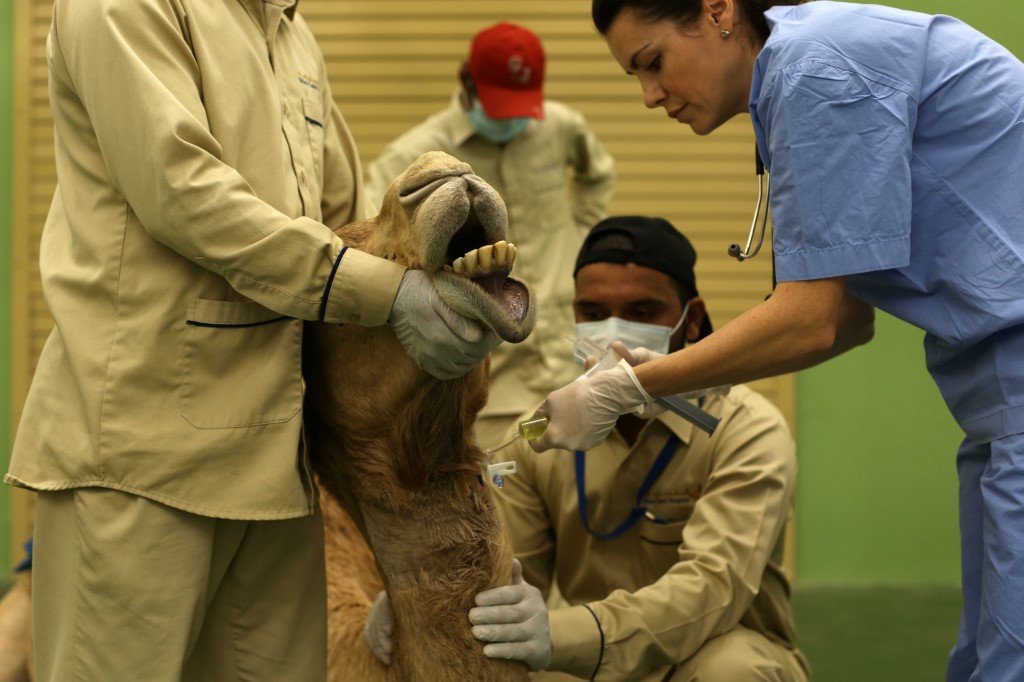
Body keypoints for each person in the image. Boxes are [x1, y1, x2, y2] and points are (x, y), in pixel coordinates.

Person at [529, 1, 1024, 679]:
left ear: (717, 10)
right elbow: (846, 318)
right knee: (984, 657)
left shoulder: (815, 70)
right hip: (995, 397)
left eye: (653, 63)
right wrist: (672, 376)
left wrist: (635, 384)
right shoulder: (794, 83)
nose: (649, 96)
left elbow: (812, 320)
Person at [4, 0, 497, 678]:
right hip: (143, 456)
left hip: (277, 468)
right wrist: (387, 294)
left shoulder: (288, 29)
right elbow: (182, 193)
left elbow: (340, 221)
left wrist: (432, 305)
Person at [469, 216, 810, 680]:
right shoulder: (543, 436)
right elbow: (507, 578)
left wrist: (567, 634)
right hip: (586, 661)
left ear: (692, 319)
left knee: (732, 671)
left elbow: (714, 589)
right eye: (593, 312)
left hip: (709, 649)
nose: (614, 334)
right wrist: (421, 606)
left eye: (642, 312)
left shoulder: (745, 430)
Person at [364, 22, 616, 450]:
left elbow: (598, 173)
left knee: (579, 479)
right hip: (494, 378)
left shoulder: (560, 127)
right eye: (500, 106)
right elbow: (376, 234)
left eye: (521, 106)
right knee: (503, 472)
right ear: (467, 81)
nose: (511, 118)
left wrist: (580, 237)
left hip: (571, 355)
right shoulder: (416, 155)